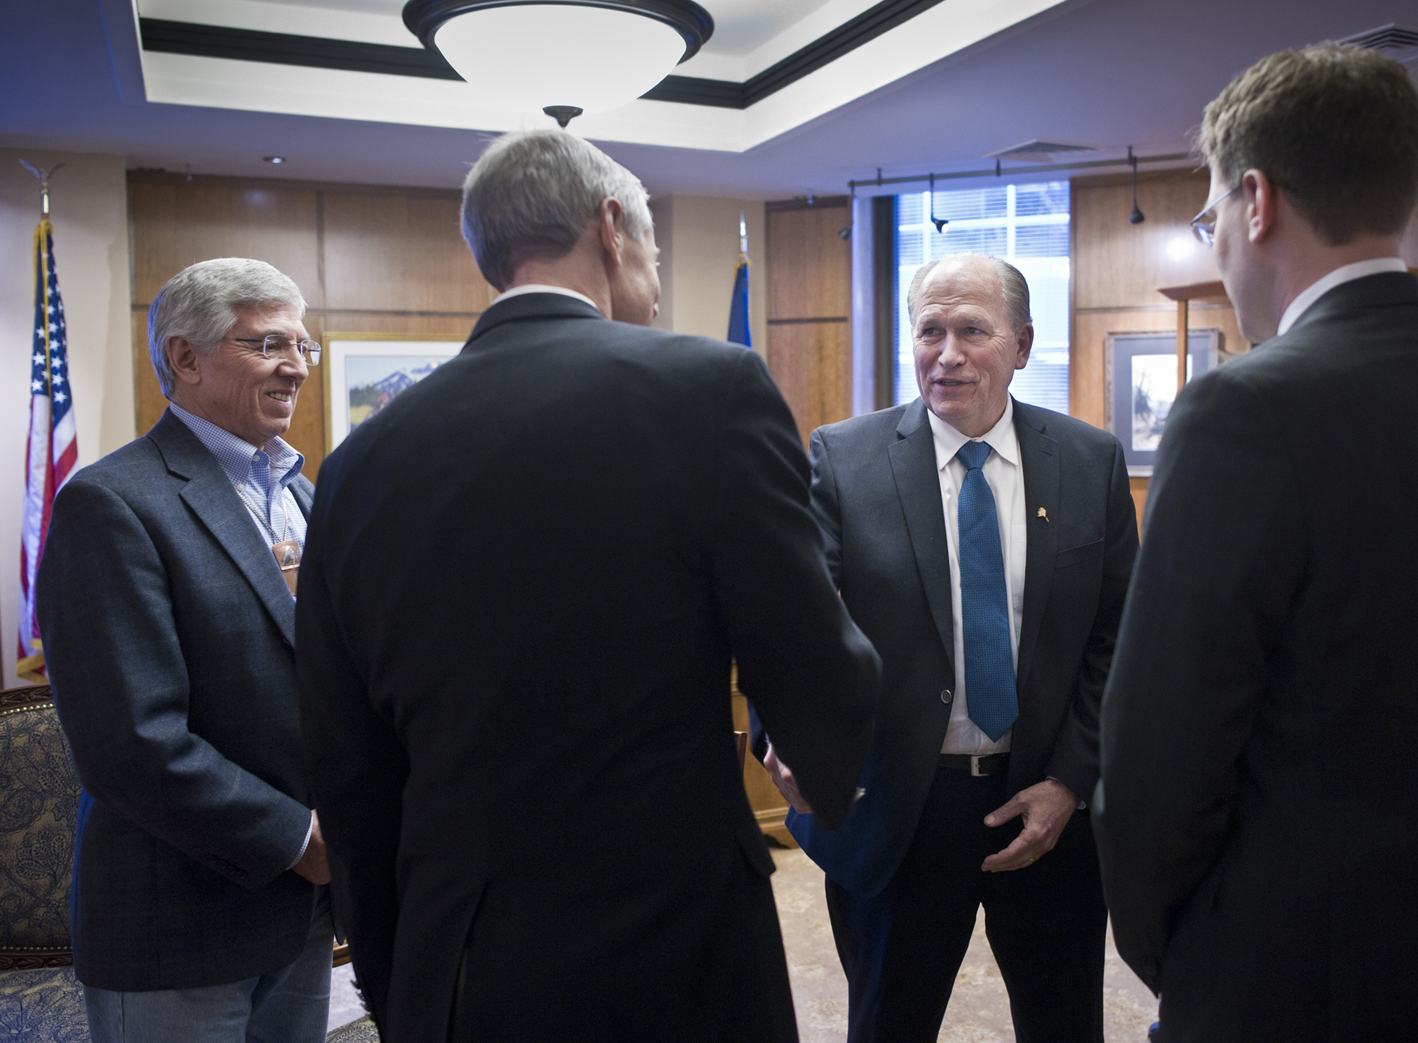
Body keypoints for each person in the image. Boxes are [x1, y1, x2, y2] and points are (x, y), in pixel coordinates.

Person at [294, 129, 879, 1043]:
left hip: (462, 959)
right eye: (650, 246)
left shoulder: (360, 459)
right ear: (611, 229)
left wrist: (397, 972)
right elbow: (805, 644)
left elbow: (346, 756)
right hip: (678, 944)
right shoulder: (708, 389)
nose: (651, 272)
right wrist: (822, 760)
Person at [1094, 43, 1418, 1043]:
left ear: (1256, 201)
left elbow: (1158, 760)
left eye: (1210, 215)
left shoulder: (1241, 410)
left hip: (1295, 985)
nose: (1217, 242)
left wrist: (1180, 954)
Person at [759, 252, 1138, 1042]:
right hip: (901, 808)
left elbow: (1117, 636)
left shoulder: (1089, 461)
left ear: (1024, 345)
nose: (948, 352)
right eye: (929, 330)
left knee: (1064, 1024)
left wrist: (1070, 780)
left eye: (973, 330)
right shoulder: (845, 456)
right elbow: (794, 621)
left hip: (1047, 812)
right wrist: (791, 734)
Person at [37, 258, 332, 1043]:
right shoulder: (111, 502)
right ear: (185, 357)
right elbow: (131, 743)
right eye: (269, 343)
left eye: (304, 346)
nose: (296, 366)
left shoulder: (306, 494)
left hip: (301, 914)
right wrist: (299, 840)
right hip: (180, 922)